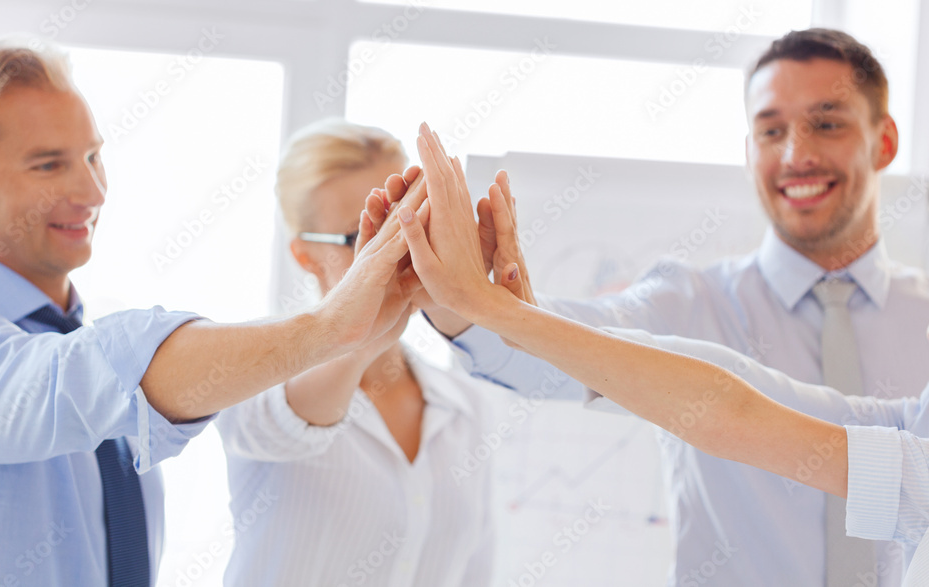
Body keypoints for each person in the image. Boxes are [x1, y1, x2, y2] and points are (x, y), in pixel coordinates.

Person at [383, 30, 929, 586]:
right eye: (772, 131)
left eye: (827, 123)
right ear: (749, 152)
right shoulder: (688, 300)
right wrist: (465, 303)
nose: (797, 154)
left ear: (883, 141)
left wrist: (499, 311)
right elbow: (580, 358)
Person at [0, 42, 423, 586]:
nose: (92, 192)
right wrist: (328, 327)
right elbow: (68, 380)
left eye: (93, 157)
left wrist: (350, 333)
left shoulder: (79, 339)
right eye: (49, 164)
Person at [215, 120, 496, 586]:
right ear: (304, 256)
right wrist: (364, 332)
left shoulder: (467, 408)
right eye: (358, 236)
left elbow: (476, 573)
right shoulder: (253, 374)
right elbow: (284, 425)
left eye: (407, 223)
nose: (395, 250)